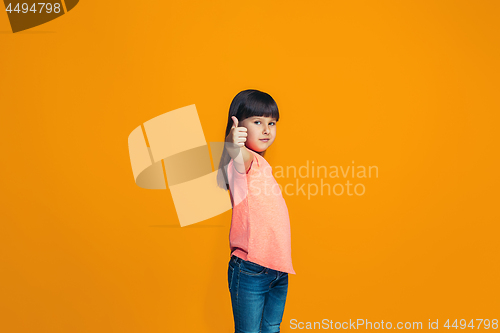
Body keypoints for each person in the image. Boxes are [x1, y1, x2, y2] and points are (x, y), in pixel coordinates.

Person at [217, 89, 296, 333]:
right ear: (239, 125)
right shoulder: (242, 162)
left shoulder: (262, 164)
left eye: (271, 123)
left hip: (277, 270)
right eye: (257, 121)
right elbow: (238, 157)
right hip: (251, 268)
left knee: (272, 328)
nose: (266, 129)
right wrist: (233, 143)